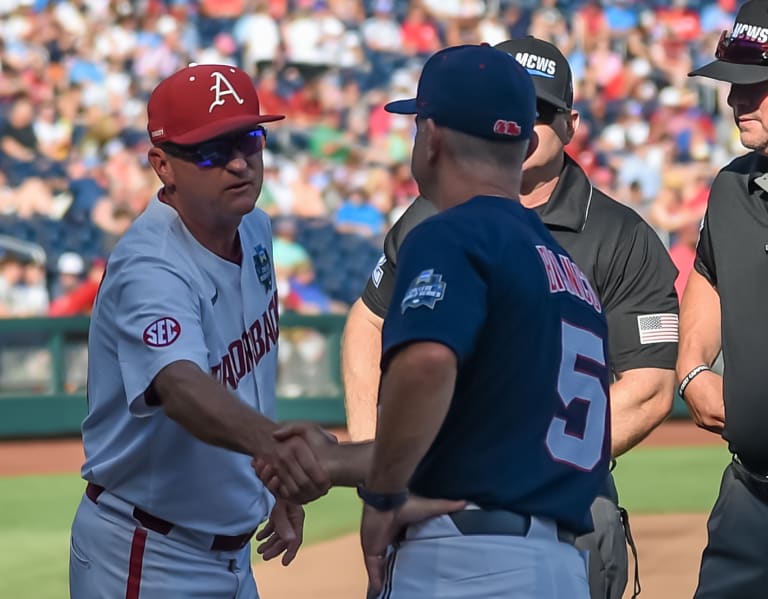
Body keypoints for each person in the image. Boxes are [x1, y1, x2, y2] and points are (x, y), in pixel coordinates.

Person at [342, 36, 680, 599]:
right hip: (541, 548)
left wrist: (386, 480)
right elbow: (366, 322)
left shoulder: (463, 230)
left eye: (541, 110)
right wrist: (377, 455)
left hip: (483, 534)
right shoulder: (513, 239)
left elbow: (648, 388)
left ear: (431, 138)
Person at [68, 63, 333, 599]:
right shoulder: (150, 265)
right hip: (148, 551)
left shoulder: (253, 227)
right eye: (211, 150)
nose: (239, 162)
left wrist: (270, 478)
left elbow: (244, 381)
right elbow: (183, 387)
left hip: (231, 554)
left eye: (249, 139)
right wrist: (280, 450)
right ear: (163, 165)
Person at [682, 2, 768, 596]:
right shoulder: (731, 187)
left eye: (754, 86)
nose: (736, 100)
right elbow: (707, 276)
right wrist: (691, 369)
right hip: (749, 494)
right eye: (731, 85)